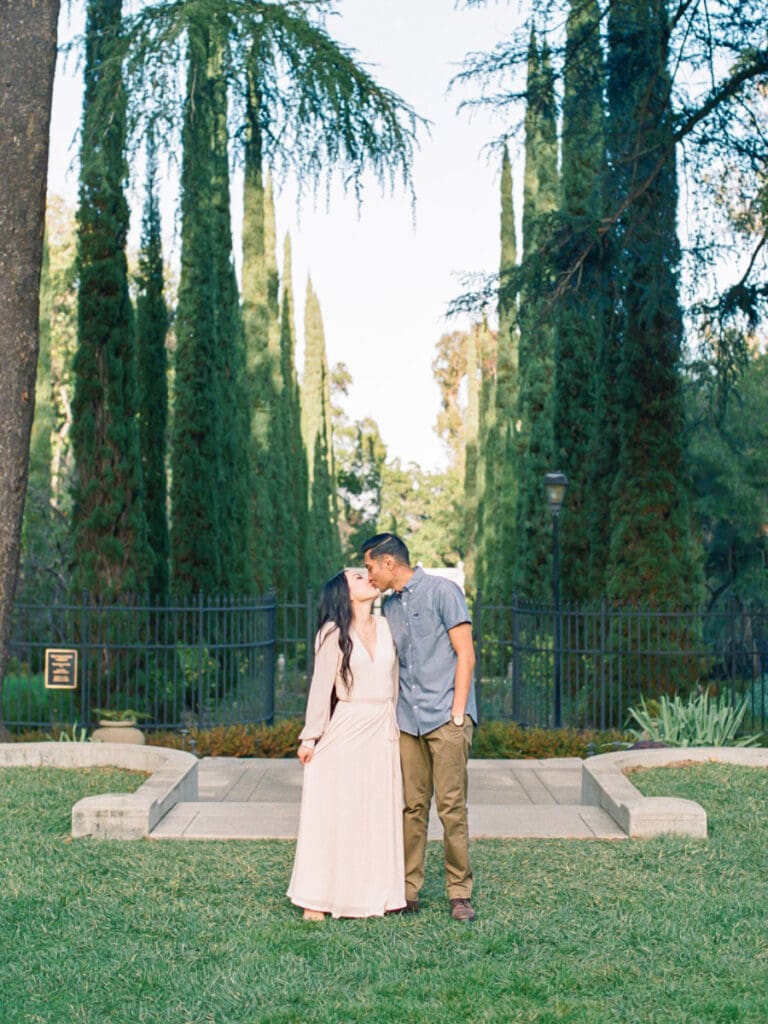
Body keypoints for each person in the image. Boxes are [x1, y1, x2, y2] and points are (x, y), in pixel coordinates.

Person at [361, 533, 477, 922]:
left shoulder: (444, 592)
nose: (369, 574)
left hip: (446, 718)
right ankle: (407, 889)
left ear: (389, 563)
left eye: (370, 566)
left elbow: (466, 653)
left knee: (450, 807)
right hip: (408, 722)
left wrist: (458, 713)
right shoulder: (389, 607)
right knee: (412, 807)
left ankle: (459, 891)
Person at [287, 569, 406, 920]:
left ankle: (375, 895)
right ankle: (316, 899)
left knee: (374, 812)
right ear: (345, 593)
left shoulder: (387, 627)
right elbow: (321, 687)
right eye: (357, 577)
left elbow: (395, 682)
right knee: (334, 812)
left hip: (383, 728)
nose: (367, 577)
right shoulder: (332, 632)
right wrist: (310, 737)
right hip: (348, 728)